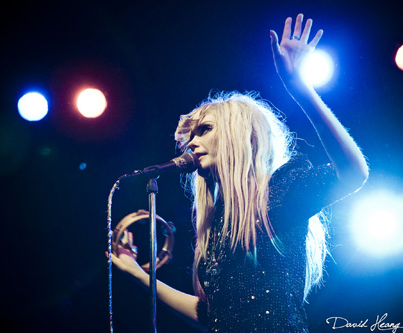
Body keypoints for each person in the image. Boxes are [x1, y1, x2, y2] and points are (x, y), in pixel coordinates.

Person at [110, 13, 369, 332]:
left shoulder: (279, 192)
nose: (192, 143)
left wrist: (299, 87)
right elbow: (213, 315)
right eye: (190, 137)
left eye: (204, 130)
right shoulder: (216, 223)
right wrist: (139, 275)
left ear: (241, 136)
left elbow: (353, 173)